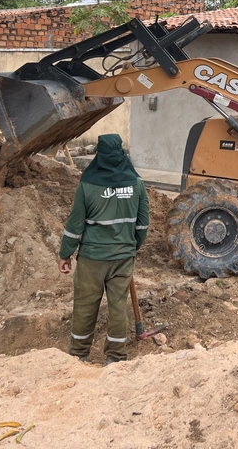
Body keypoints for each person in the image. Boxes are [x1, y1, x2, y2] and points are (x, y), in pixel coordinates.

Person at [58, 134, 149, 365]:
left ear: (99, 154)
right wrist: (131, 247)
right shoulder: (136, 184)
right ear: (121, 153)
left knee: (86, 305)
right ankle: (116, 357)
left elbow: (75, 224)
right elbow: (143, 224)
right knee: (118, 305)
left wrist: (65, 254)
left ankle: (79, 354)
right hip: (123, 257)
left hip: (92, 258)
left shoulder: (88, 185)